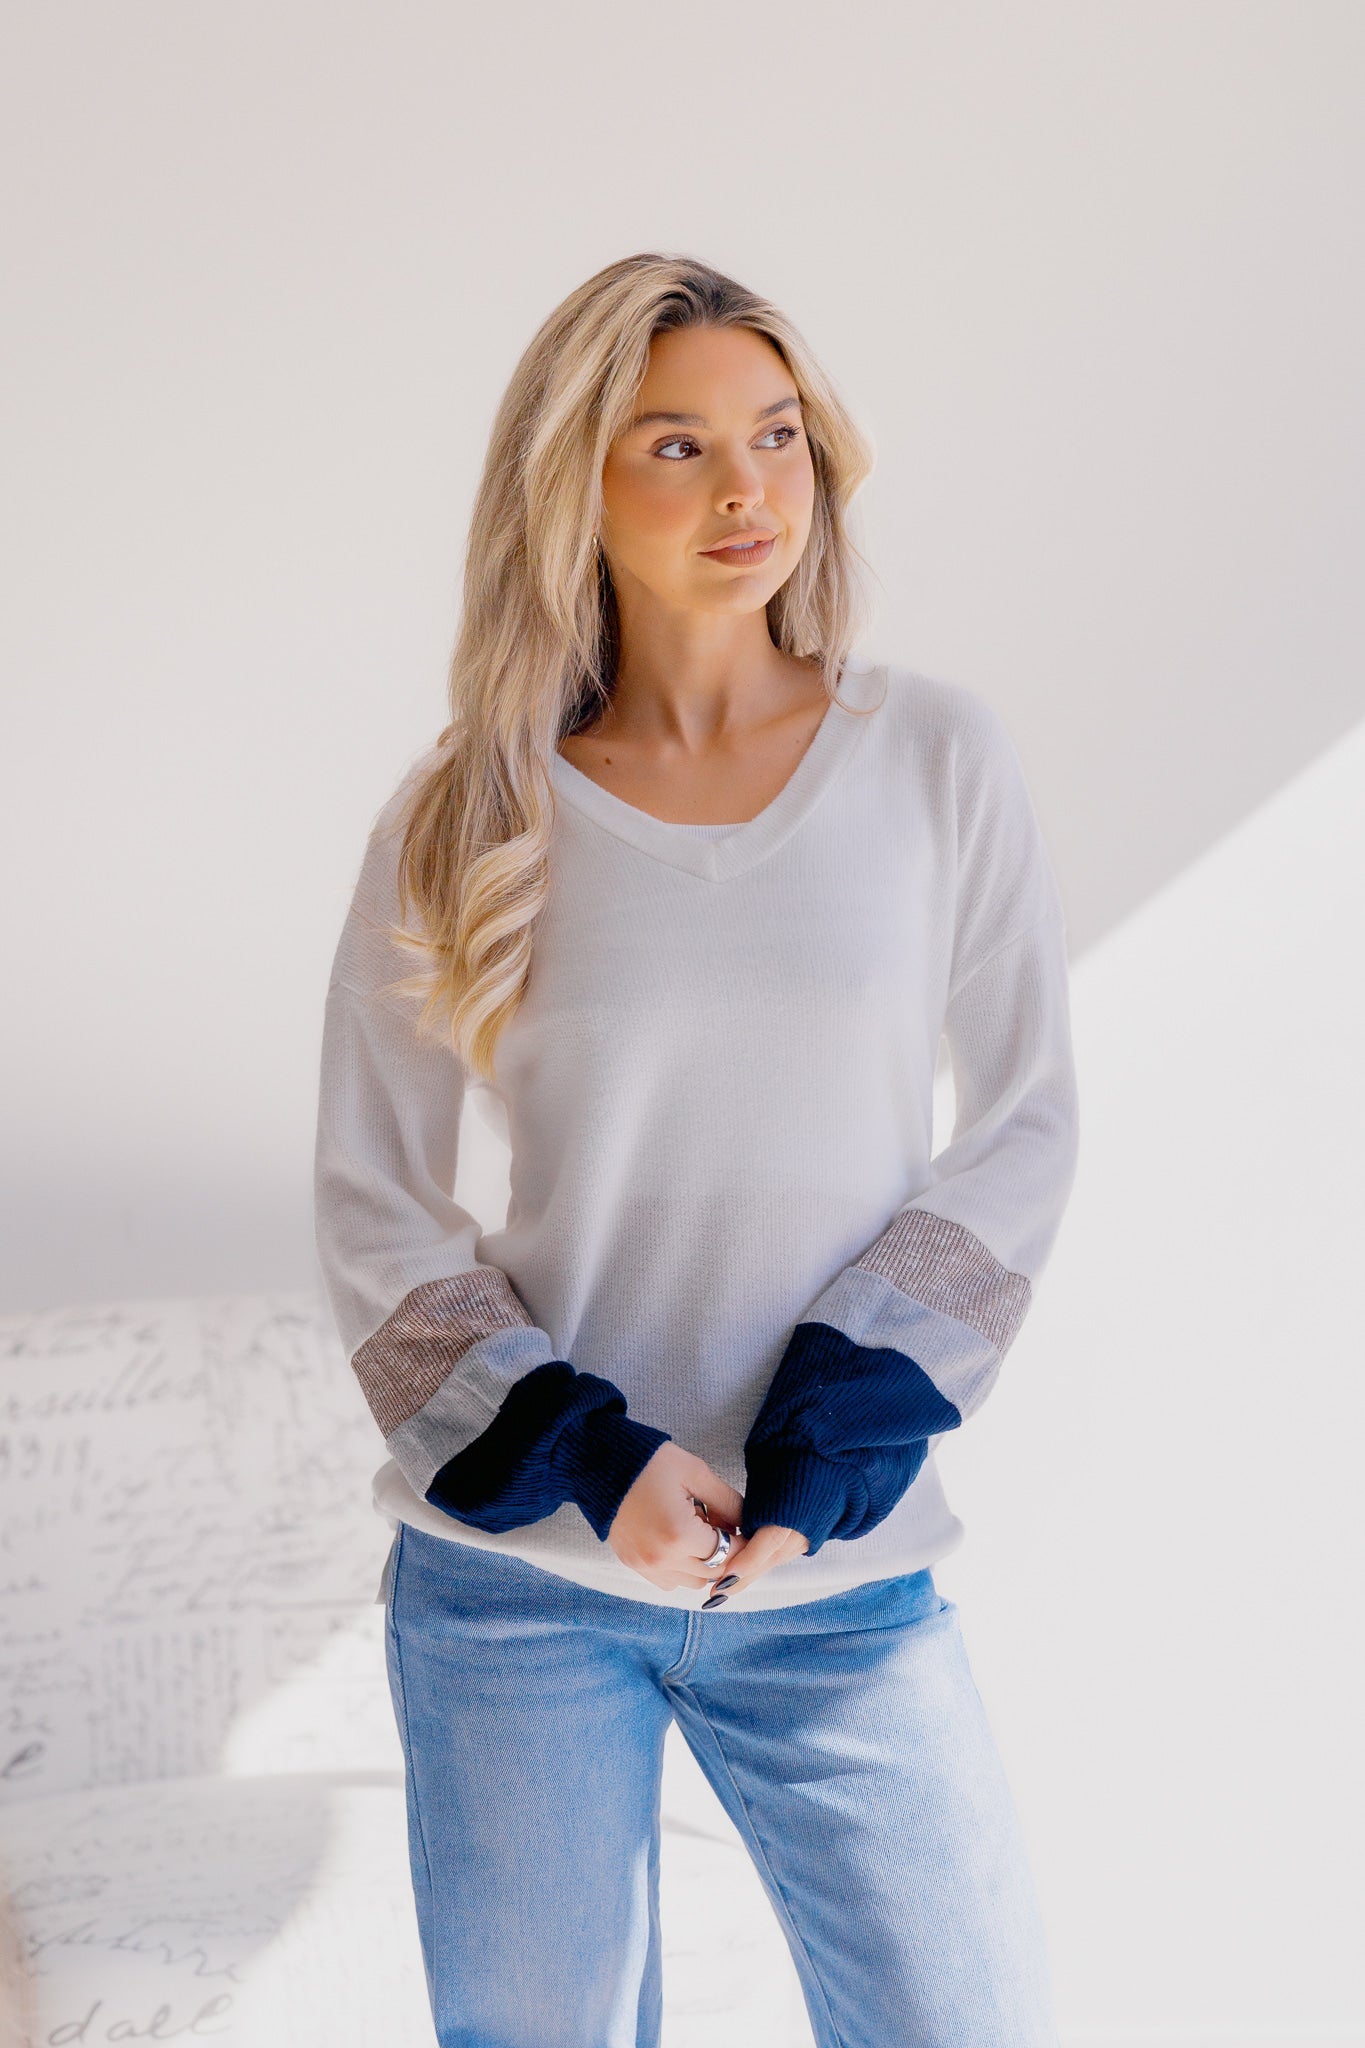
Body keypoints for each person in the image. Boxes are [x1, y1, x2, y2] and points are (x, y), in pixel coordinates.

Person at [312, 251, 1080, 2048]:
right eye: (675, 444)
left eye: (777, 435)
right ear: (572, 478)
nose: (747, 491)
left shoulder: (933, 760)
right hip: (517, 1589)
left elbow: (1026, 1122)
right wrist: (590, 1457)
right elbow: (368, 1193)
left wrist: (832, 1426)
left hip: (840, 1579)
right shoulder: (465, 813)